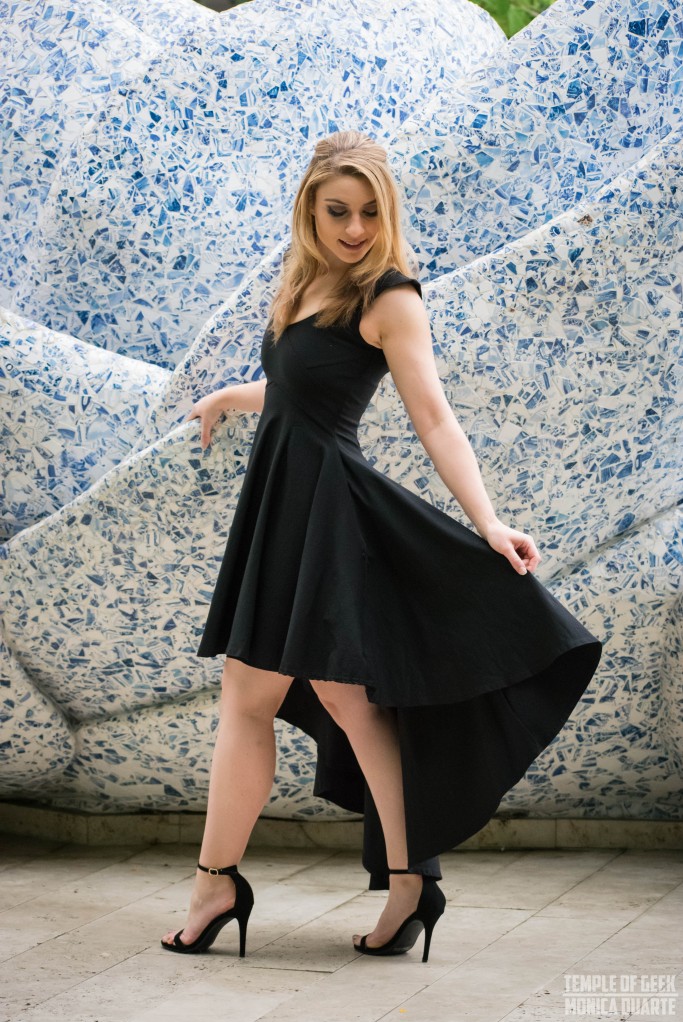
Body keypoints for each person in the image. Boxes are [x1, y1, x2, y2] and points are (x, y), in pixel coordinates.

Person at [160, 130, 602, 961]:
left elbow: (433, 418)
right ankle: (406, 882)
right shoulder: (304, 281)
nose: (355, 228)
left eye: (369, 212)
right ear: (309, 209)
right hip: (285, 508)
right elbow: (297, 388)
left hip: (326, 517)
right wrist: (230, 396)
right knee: (333, 703)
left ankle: (229, 884)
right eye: (338, 211)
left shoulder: (390, 297)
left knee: (273, 701)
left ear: (386, 212)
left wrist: (487, 521)